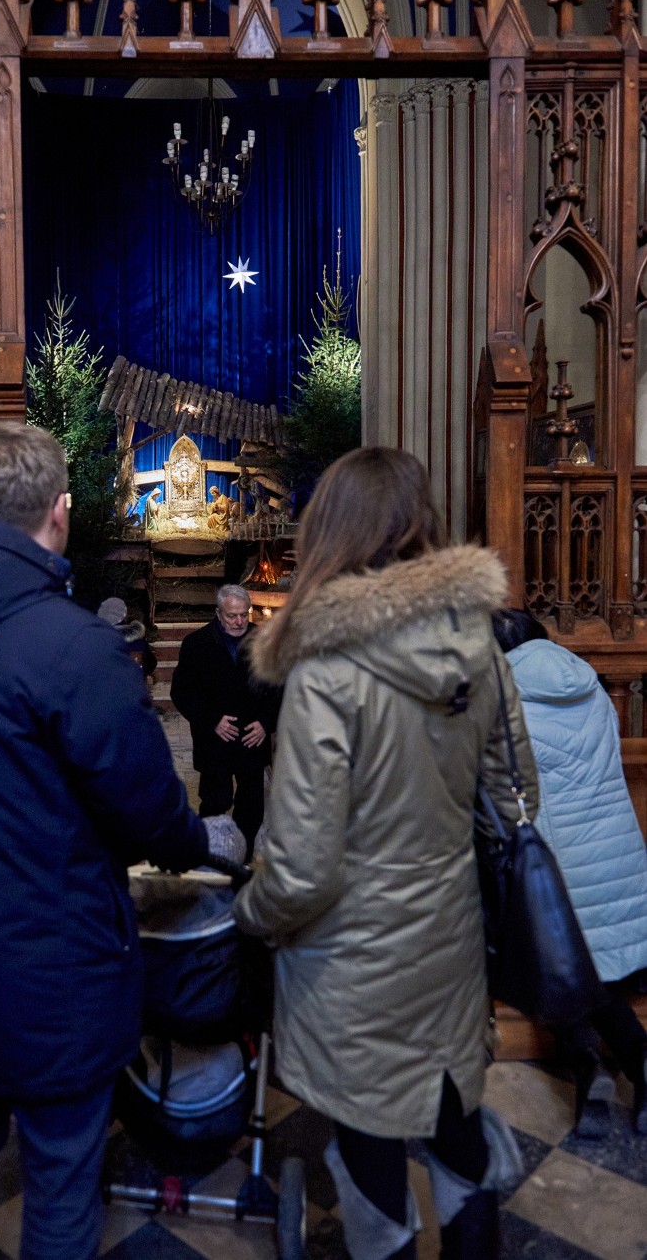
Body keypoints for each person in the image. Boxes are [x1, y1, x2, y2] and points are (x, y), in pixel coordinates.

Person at [0, 422, 243, 1260]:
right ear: (61, 510)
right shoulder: (74, 648)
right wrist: (203, 836)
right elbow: (150, 814)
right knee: (62, 1175)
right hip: (54, 968)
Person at [233, 447, 536, 1260]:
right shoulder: (479, 642)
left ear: (330, 531)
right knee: (454, 1131)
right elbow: (516, 800)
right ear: (418, 525)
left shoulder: (326, 667)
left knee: (370, 1151)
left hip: (351, 964)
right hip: (449, 938)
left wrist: (248, 912)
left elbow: (300, 868)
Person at [492, 608, 647, 1138]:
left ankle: (590, 1073)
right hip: (616, 852)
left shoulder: (505, 701)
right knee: (592, 975)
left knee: (560, 971)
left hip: (558, 859)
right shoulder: (592, 687)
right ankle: (638, 1072)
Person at [170, 583, 281, 858]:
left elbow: (279, 687)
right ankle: (213, 860)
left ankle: (241, 861)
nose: (239, 621)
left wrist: (266, 723)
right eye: (232, 615)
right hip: (215, 741)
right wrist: (212, 721)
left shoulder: (263, 643)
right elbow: (182, 692)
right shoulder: (196, 644)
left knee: (252, 807)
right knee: (215, 802)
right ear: (218, 613)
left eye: (244, 614)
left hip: (251, 739)